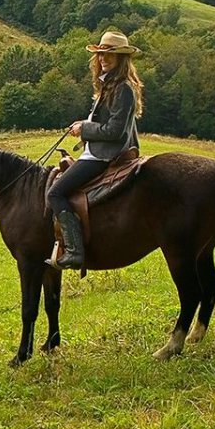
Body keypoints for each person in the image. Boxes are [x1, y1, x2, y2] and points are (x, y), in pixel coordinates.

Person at [47, 31, 144, 270]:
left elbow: (114, 132)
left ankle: (74, 251)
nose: (103, 58)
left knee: (55, 193)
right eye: (101, 53)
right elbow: (107, 121)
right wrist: (85, 123)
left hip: (103, 155)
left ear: (122, 59)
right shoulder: (110, 84)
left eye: (110, 55)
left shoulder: (122, 89)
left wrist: (85, 129)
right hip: (97, 151)